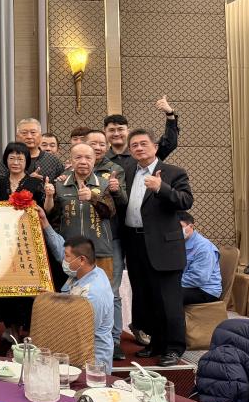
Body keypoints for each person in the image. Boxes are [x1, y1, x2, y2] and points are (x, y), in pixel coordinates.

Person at [104, 98, 180, 347]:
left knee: (164, 295)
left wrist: (170, 115)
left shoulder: (158, 167)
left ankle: (169, 345)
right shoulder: (115, 165)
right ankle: (146, 335)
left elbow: (169, 143)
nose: (117, 133)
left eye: (121, 129)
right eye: (112, 130)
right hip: (126, 236)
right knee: (141, 291)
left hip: (157, 238)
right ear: (106, 134)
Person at [121, 129, 193, 367]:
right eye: (134, 145)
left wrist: (161, 188)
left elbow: (186, 201)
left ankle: (174, 348)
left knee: (169, 301)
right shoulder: (127, 171)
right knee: (146, 298)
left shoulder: (174, 172)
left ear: (155, 146)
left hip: (164, 246)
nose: (139, 148)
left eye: (144, 144)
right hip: (135, 243)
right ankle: (157, 343)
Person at [38, 207, 114, 373]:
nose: (64, 260)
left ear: (81, 260)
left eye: (67, 257)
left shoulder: (93, 293)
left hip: (91, 363)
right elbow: (60, 247)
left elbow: (78, 331)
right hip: (74, 353)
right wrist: (44, 222)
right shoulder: (85, 270)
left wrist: (49, 301)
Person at [0, 142, 45, 343]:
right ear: (6, 160)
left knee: (27, 289)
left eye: (20, 158)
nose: (15, 162)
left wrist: (48, 197)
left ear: (26, 161)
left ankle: (26, 332)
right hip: (4, 242)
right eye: (12, 158)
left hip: (27, 242)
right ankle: (11, 330)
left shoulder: (34, 183)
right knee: (8, 287)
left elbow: (44, 210)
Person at [85, 130, 128, 360]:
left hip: (111, 238)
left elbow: (123, 202)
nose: (98, 147)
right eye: (93, 143)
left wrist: (115, 190)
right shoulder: (73, 170)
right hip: (83, 240)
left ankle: (114, 338)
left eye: (102, 144)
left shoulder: (114, 170)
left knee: (111, 290)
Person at [44, 143, 115, 280]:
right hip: (69, 251)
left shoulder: (104, 184)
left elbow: (110, 212)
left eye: (88, 158)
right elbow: (51, 214)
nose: (83, 161)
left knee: (99, 289)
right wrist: (49, 197)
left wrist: (92, 197)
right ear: (71, 160)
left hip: (99, 250)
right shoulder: (59, 184)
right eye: (78, 157)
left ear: (94, 160)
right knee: (69, 291)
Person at [0, 118, 64, 181]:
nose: (29, 137)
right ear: (17, 137)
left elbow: (62, 183)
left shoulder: (53, 160)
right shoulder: (9, 159)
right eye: (24, 133)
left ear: (40, 136)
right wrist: (29, 181)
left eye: (33, 132)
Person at [179, 211, 221, 305]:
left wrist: (171, 282)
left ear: (191, 226)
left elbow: (198, 278)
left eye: (180, 227)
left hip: (205, 291)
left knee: (167, 295)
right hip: (190, 285)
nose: (176, 231)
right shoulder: (180, 243)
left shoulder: (203, 247)